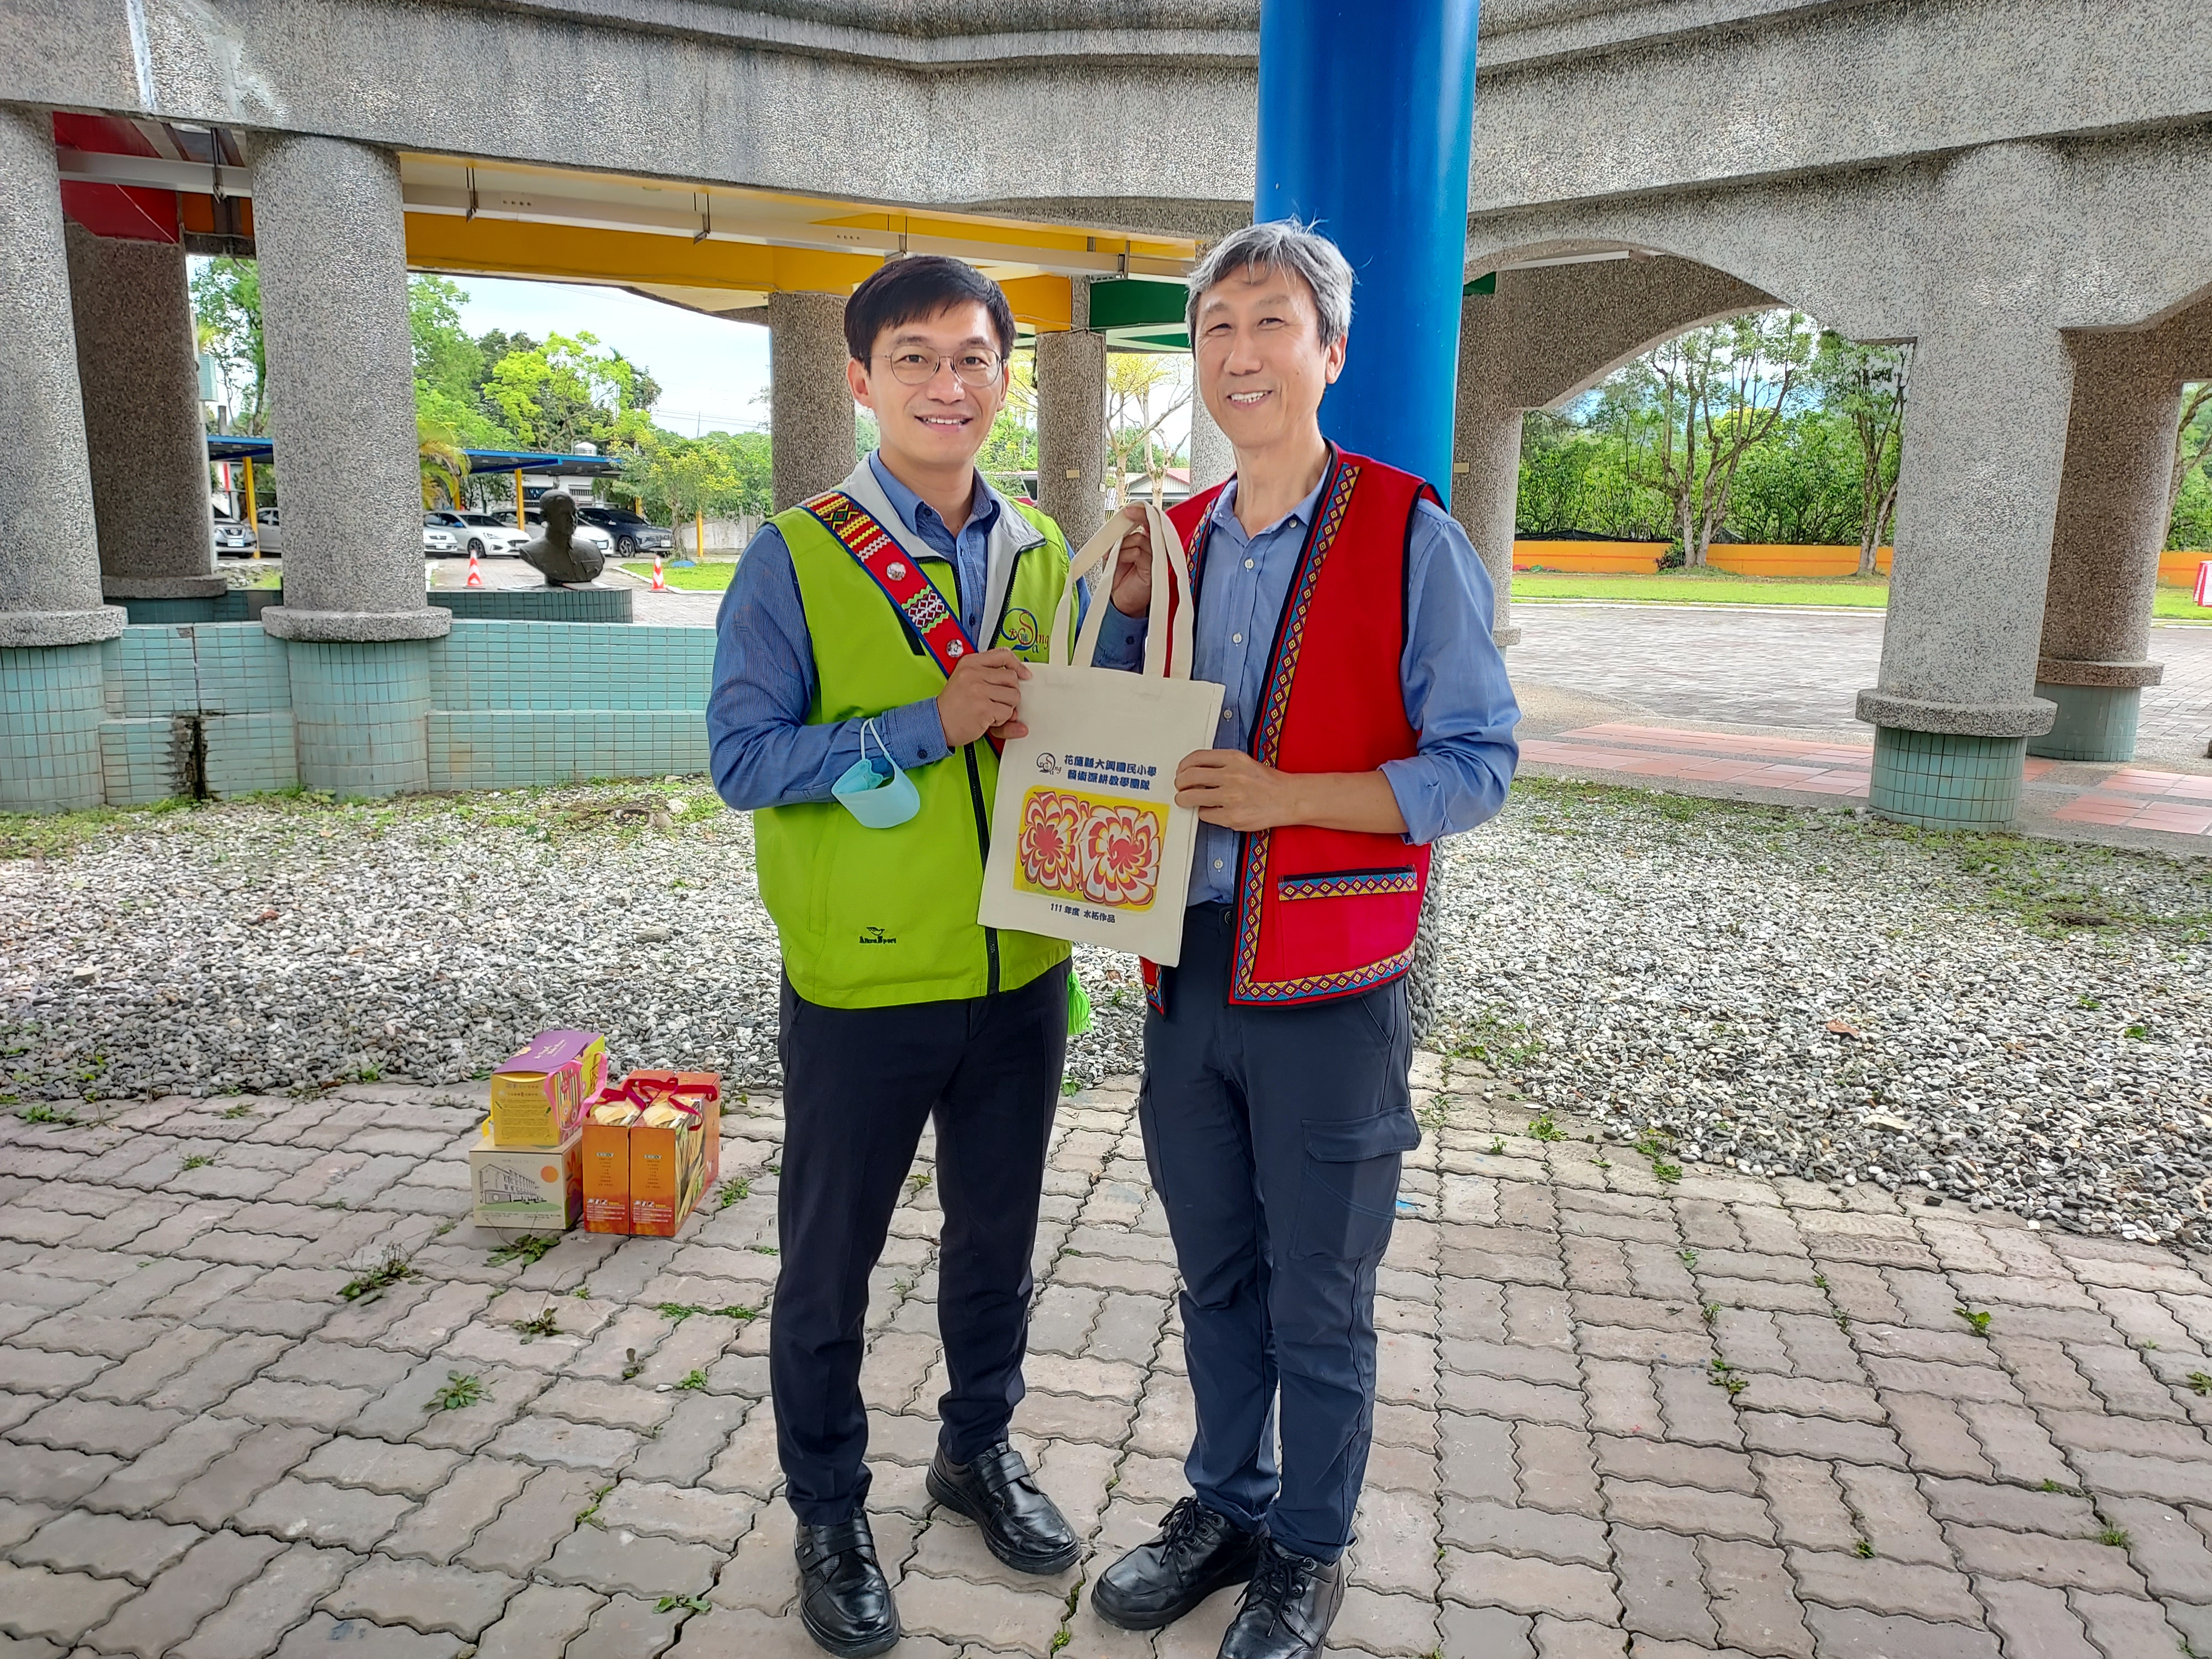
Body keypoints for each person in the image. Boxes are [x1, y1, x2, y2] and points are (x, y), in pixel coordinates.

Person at [1086, 221, 1521, 1659]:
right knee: (1215, 1274)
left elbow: (1478, 765)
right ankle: (1226, 1504)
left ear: (1330, 352)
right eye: (1215, 327)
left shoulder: (1407, 534)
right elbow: (1110, 741)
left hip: (1332, 985)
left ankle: (1309, 1552)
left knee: (1319, 1299)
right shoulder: (1172, 544)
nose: (1239, 352)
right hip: (1182, 972)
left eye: (1270, 322)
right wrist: (1120, 622)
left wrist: (1290, 799)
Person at [707, 254, 1146, 1659]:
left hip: (1020, 974)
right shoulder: (793, 554)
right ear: (860, 378)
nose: (945, 384)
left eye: (971, 357)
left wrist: (1126, 617)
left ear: (1004, 377)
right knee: (827, 1264)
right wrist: (924, 726)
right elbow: (741, 758)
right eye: (914, 358)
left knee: (995, 1239)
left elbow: (1082, 724)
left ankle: (975, 1450)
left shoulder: (1039, 549)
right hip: (864, 979)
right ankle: (828, 1511)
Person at [518, 490, 604, 586]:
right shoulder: (531, 551)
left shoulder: (593, 550)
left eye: (574, 513)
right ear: (545, 516)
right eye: (564, 514)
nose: (572, 519)